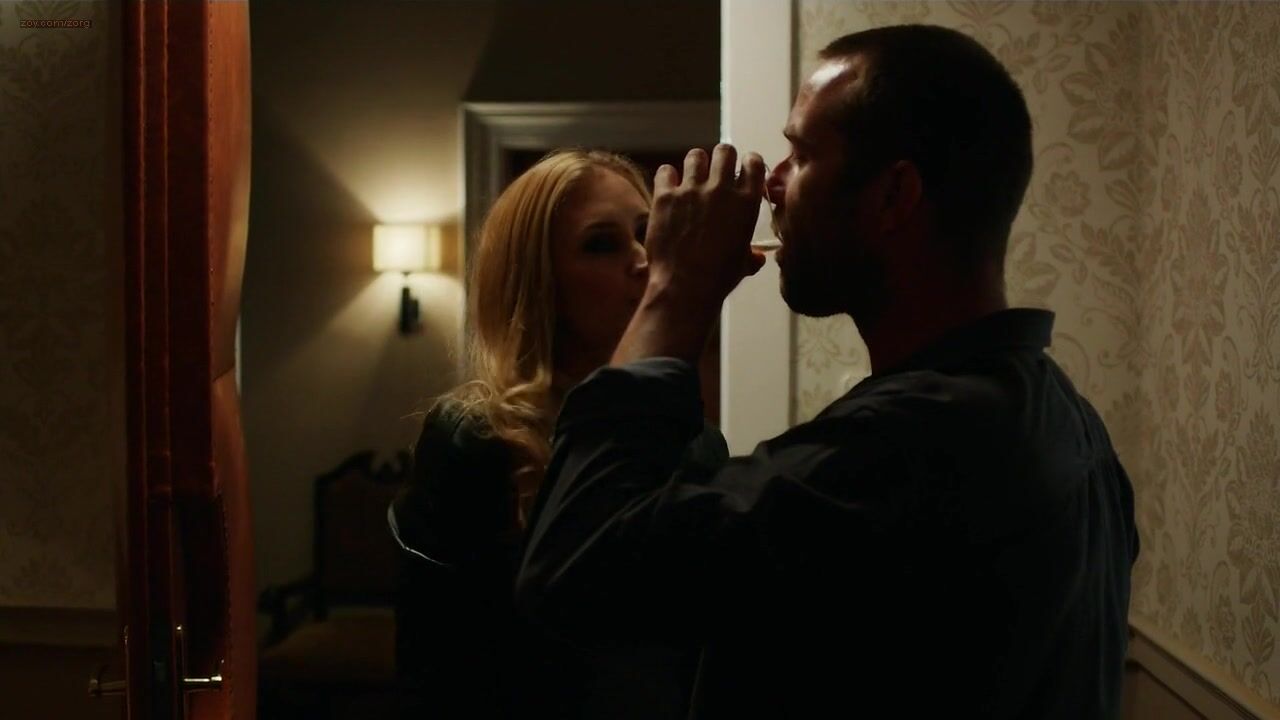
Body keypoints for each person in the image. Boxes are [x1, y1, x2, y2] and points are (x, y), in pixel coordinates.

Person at [517, 25, 1139, 719]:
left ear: (892, 195)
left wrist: (675, 289)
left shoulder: (907, 448)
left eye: (802, 154)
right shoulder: (1061, 415)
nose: (772, 184)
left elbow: (574, 571)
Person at [388, 149, 725, 718]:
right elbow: (441, 664)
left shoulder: (694, 440)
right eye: (601, 244)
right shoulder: (477, 439)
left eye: (646, 234)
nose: (643, 260)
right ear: (541, 281)